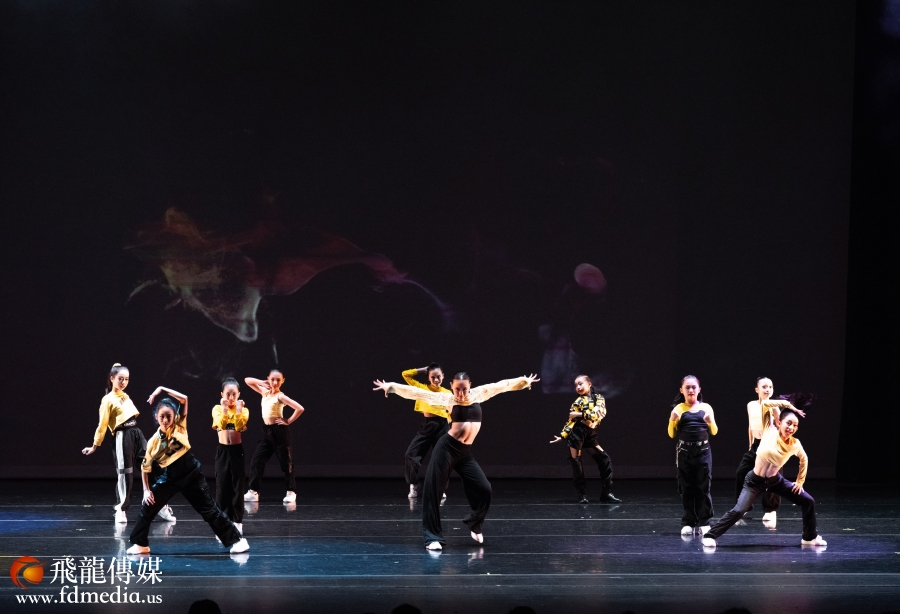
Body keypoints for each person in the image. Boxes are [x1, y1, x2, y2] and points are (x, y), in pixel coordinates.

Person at [374, 371, 540, 550]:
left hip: (464, 453)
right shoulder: (447, 399)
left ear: (470, 386)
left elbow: (502, 385)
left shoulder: (479, 394)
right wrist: (391, 387)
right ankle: (432, 538)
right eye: (457, 390)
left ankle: (475, 523)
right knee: (433, 491)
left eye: (464, 389)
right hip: (446, 449)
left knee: (485, 488)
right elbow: (417, 393)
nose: (461, 394)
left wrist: (523, 381)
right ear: (452, 387)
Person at [127, 385, 249, 554]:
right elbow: (145, 467)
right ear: (156, 417)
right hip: (171, 477)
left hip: (191, 474)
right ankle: (140, 544)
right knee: (148, 507)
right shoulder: (154, 441)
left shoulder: (180, 425)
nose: (165, 420)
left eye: (169, 416)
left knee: (209, 510)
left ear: (174, 416)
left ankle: (238, 541)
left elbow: (184, 398)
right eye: (162, 416)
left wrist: (161, 389)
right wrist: (146, 491)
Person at [702, 404, 826, 548]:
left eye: (795, 425)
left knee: (808, 501)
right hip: (754, 481)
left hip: (775, 481)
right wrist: (788, 405)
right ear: (779, 422)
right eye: (788, 423)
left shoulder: (794, 444)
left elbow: (804, 459)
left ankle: (809, 538)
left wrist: (800, 481)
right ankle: (710, 535)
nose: (791, 428)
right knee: (739, 510)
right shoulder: (769, 430)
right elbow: (766, 404)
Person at [81, 363, 174, 524]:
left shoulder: (125, 395)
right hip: (122, 435)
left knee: (153, 465)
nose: (124, 382)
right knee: (125, 473)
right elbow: (102, 424)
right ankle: (121, 509)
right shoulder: (107, 400)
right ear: (112, 379)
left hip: (135, 432)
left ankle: (159, 504)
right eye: (120, 379)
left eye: (126, 379)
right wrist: (95, 445)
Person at [550, 374, 621, 503]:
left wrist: (579, 414)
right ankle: (582, 495)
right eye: (576, 385)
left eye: (580, 383)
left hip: (589, 432)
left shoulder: (599, 398)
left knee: (604, 459)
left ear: (589, 384)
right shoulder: (577, 402)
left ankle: (606, 493)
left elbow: (598, 414)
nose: (578, 387)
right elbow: (571, 421)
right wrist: (563, 435)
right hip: (577, 432)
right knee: (577, 463)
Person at [734, 377, 795, 522]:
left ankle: (771, 509)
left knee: (772, 477)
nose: (768, 390)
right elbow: (750, 426)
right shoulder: (751, 405)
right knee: (741, 472)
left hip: (770, 445)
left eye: (770, 387)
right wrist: (750, 444)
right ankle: (744, 506)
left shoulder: (774, 407)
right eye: (764, 387)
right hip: (756, 445)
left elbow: (779, 427)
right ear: (757, 389)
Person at [243, 369, 306, 504]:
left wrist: (288, 420)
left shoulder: (280, 397)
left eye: (278, 380)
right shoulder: (264, 392)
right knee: (257, 460)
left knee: (286, 463)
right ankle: (253, 492)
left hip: (279, 432)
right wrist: (261, 382)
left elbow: (300, 408)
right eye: (272, 379)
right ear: (268, 379)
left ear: (282, 381)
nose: (275, 382)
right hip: (267, 432)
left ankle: (291, 492)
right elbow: (247, 380)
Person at [667, 375, 718, 537]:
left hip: (703, 452)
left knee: (704, 487)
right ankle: (689, 522)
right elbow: (671, 434)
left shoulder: (706, 407)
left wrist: (710, 421)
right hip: (685, 453)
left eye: (694, 387)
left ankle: (705, 521)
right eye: (687, 387)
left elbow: (714, 431)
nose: (691, 390)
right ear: (681, 390)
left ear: (699, 389)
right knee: (687, 488)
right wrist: (672, 420)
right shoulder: (678, 409)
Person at [401, 364, 451, 499]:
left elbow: (452, 410)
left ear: (443, 376)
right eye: (433, 377)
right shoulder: (422, 389)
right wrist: (422, 370)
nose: (436, 380)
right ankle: (414, 484)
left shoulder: (447, 393)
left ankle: (440, 488)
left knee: (442, 459)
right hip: (427, 426)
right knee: (410, 454)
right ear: (428, 378)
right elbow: (405, 374)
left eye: (438, 377)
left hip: (442, 426)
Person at [212, 377, 249, 534]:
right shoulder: (217, 409)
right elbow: (220, 424)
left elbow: (240, 426)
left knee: (237, 487)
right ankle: (223, 523)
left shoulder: (244, 410)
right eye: (228, 394)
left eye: (234, 394)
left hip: (236, 451)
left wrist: (238, 410)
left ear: (239, 394)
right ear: (222, 394)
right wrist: (225, 409)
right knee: (222, 487)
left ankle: (237, 522)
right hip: (223, 451)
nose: (231, 398)